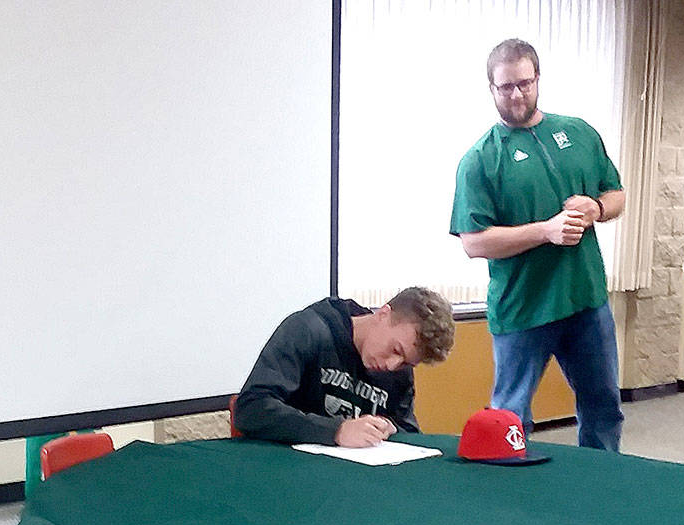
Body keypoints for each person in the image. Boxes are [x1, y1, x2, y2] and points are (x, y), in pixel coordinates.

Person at [450, 38, 626, 452]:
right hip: (523, 309)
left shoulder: (578, 133)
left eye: (524, 84)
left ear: (538, 80)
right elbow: (474, 242)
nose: (516, 95)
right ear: (491, 89)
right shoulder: (480, 159)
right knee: (510, 418)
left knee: (604, 408)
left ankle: (599, 488)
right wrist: (544, 231)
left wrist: (596, 208)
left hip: (586, 300)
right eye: (505, 87)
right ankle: (510, 498)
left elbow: (616, 193)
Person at [233, 287, 454, 447]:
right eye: (396, 350)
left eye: (407, 363)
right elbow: (251, 409)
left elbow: (409, 432)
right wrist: (335, 431)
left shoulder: (398, 372)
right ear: (383, 314)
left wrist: (390, 427)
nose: (393, 365)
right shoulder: (309, 330)